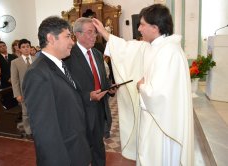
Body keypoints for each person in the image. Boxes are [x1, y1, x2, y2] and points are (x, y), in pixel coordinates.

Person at [93, 4, 194, 166]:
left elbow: (160, 95)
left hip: (163, 124)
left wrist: (141, 87)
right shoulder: (154, 46)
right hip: (153, 117)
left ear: (155, 27)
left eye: (142, 25)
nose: (139, 29)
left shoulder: (169, 52)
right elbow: (126, 49)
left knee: (160, 157)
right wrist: (105, 33)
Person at [22, 16, 91, 166]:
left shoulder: (61, 64)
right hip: (63, 157)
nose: (72, 42)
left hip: (76, 150)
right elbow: (44, 130)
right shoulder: (37, 73)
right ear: (51, 38)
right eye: (67, 36)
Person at [64, 17, 115, 166]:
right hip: (80, 111)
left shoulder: (97, 54)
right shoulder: (68, 56)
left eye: (95, 32)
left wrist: (110, 88)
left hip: (99, 110)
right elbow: (66, 88)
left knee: (98, 147)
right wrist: (88, 96)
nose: (94, 36)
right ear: (77, 34)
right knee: (82, 151)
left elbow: (101, 80)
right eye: (89, 32)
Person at [11, 39, 37, 137]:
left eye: (27, 46)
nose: (26, 49)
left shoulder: (36, 59)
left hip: (37, 91)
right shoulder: (15, 62)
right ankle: (28, 131)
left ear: (30, 48)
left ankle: (38, 128)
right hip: (24, 92)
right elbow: (15, 80)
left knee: (38, 110)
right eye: (23, 47)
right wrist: (17, 94)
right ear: (20, 49)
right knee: (26, 112)